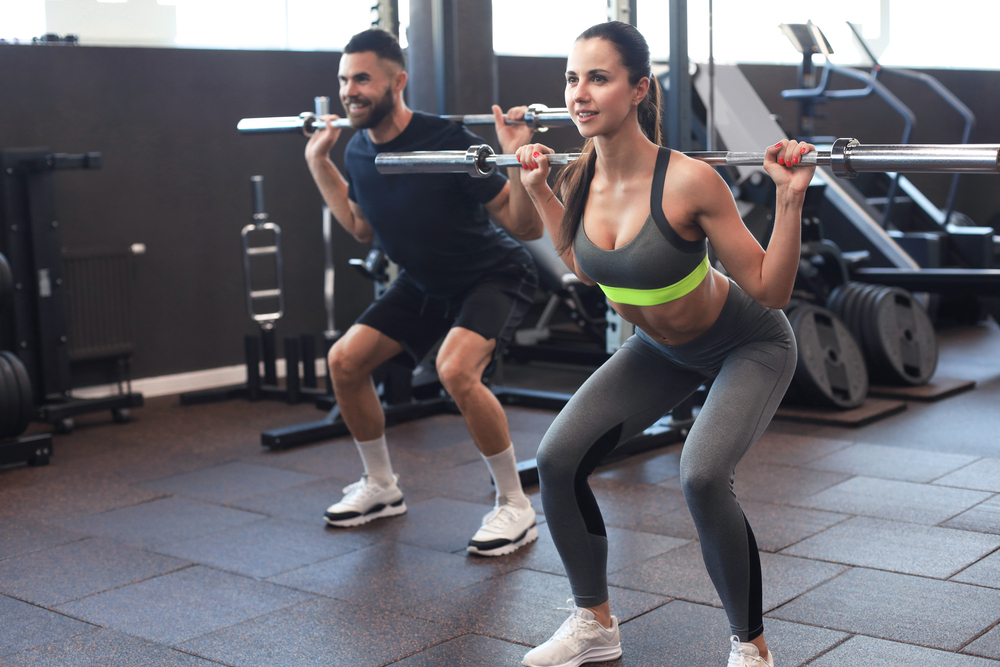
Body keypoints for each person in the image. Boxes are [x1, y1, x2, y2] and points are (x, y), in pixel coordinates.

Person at [512, 21, 815, 667]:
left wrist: (790, 201)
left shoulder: (688, 181)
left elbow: (769, 289)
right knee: (558, 458)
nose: (580, 93)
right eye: (572, 78)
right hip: (659, 349)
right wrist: (537, 187)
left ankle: (751, 647)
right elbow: (586, 265)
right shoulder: (575, 179)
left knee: (702, 474)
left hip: (747, 343)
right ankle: (594, 624)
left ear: (639, 87)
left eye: (599, 77)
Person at [305, 28, 545, 557]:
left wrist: (516, 160)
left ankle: (515, 504)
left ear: (398, 81)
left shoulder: (451, 138)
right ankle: (381, 487)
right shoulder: (359, 153)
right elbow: (361, 227)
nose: (351, 91)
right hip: (423, 281)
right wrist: (319, 162)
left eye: (362, 78)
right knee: (344, 361)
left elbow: (524, 228)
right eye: (345, 80)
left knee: (456, 370)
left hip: (491, 273)